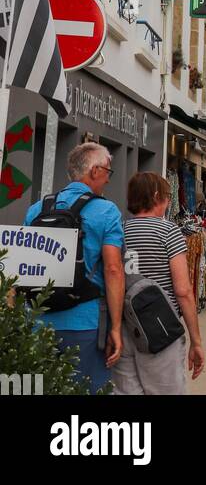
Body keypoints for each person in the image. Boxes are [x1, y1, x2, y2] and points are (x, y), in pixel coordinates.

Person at [24, 142, 125, 394]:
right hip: (86, 322)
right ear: (95, 171)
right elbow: (113, 269)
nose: (108, 180)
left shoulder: (37, 209)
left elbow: (21, 268)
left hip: (39, 320)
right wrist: (115, 328)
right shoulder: (106, 211)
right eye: (108, 172)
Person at [113, 173, 205, 395]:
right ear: (156, 197)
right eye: (168, 196)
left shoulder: (118, 231)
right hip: (160, 328)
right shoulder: (169, 232)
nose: (169, 201)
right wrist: (196, 340)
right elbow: (183, 291)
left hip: (124, 327)